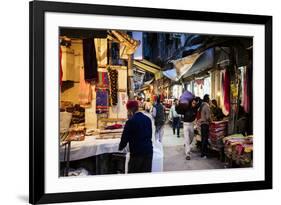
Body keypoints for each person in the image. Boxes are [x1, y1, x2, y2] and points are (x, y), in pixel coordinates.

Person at [118, 100, 153, 173]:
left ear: (131, 110)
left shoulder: (130, 122)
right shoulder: (148, 119)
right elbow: (150, 135)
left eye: (128, 110)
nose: (127, 113)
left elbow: (124, 139)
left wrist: (120, 148)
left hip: (137, 153)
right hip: (148, 151)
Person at [200, 94, 211, 158]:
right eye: (209, 99)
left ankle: (203, 153)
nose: (210, 100)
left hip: (202, 124)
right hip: (205, 124)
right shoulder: (206, 106)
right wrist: (211, 120)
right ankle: (204, 154)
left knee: (203, 139)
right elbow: (207, 117)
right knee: (205, 139)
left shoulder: (202, 105)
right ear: (207, 99)